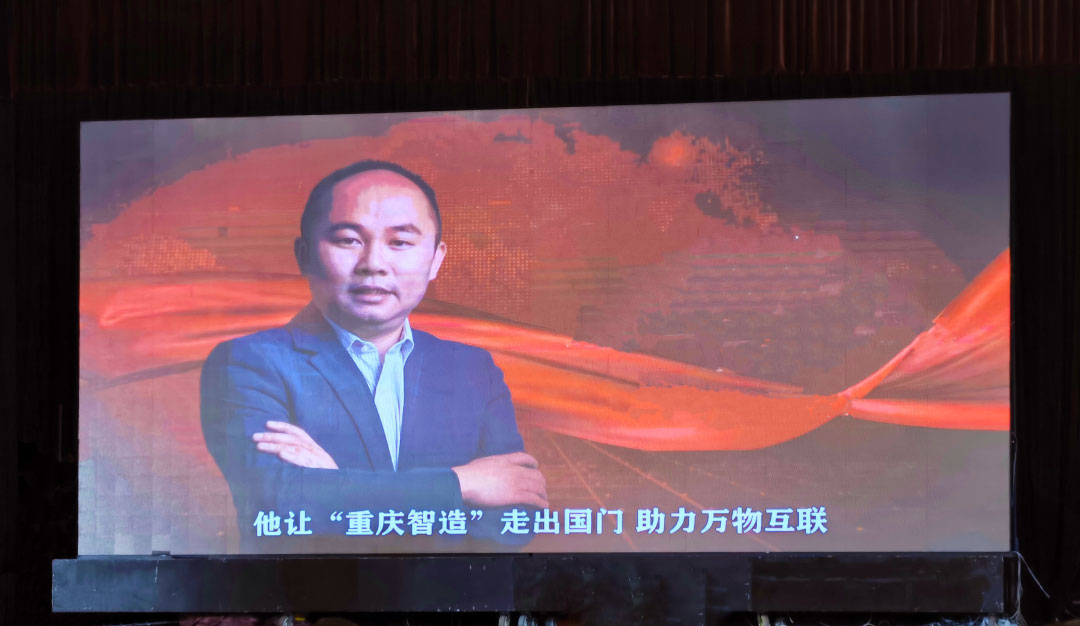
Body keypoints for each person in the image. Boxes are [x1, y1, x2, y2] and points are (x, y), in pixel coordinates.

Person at [200, 160, 547, 550]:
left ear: (436, 259)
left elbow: (516, 521)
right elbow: (283, 504)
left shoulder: (472, 368)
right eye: (349, 240)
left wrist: (337, 488)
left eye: (400, 242)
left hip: (445, 591)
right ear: (304, 255)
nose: (374, 265)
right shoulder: (251, 362)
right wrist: (463, 483)